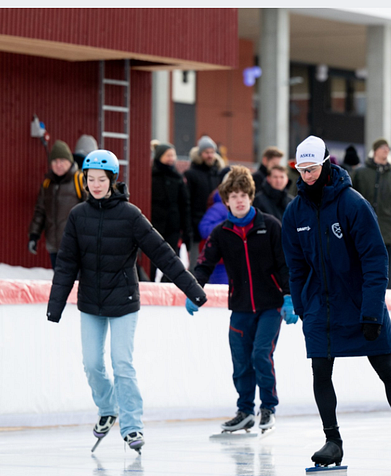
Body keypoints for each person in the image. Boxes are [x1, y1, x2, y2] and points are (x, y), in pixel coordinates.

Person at [46, 149, 207, 453]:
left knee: (122, 364)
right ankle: (108, 409)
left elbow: (163, 254)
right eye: (90, 179)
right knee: (92, 364)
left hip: (124, 301)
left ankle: (132, 427)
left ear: (112, 180)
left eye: (100, 179)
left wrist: (192, 289)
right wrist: (56, 304)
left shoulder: (130, 215)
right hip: (91, 302)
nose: (95, 184)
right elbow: (66, 263)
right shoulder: (78, 216)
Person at [282, 135, 391, 469]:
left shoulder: (353, 204)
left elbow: (374, 259)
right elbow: (295, 266)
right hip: (320, 308)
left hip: (359, 304)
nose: (307, 176)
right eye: (302, 170)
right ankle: (332, 440)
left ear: (327, 164)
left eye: (312, 169)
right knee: (320, 370)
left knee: (386, 369)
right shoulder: (295, 212)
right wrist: (300, 305)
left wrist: (371, 311)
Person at [191, 166, 296, 434]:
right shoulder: (221, 233)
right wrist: (193, 290)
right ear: (226, 200)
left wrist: (289, 298)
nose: (239, 200)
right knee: (240, 361)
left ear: (250, 196)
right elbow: (204, 265)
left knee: (261, 354)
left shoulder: (270, 226)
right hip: (240, 307)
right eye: (233, 196)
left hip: (271, 306)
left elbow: (286, 265)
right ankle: (245, 411)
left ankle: (268, 408)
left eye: (243, 195)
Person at [351, 138, 391, 289]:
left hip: (388, 232)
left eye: (388, 148)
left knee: (388, 270)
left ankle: (387, 300)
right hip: (362, 229)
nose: (385, 150)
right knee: (362, 267)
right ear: (375, 151)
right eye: (382, 148)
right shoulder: (360, 173)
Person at [28, 140, 87, 268]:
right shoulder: (47, 184)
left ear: (69, 161)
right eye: (54, 161)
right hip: (54, 246)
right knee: (61, 284)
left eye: (62, 161)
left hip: (75, 246)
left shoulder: (80, 180)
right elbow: (40, 211)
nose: (58, 164)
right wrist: (34, 235)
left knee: (77, 283)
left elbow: (92, 209)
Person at [150, 141, 191, 281]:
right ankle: (147, 285)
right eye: (168, 155)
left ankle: (166, 285)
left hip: (173, 226)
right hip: (153, 225)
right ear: (160, 156)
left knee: (172, 260)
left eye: (173, 155)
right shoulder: (151, 176)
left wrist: (186, 230)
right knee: (151, 259)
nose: (171, 158)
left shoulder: (177, 177)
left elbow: (185, 204)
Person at [185, 135, 225, 271]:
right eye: (206, 152)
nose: (210, 155)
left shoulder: (217, 174)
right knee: (196, 264)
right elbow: (187, 202)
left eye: (212, 152)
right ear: (200, 154)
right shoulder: (191, 174)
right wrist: (189, 227)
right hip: (196, 227)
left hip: (214, 227)